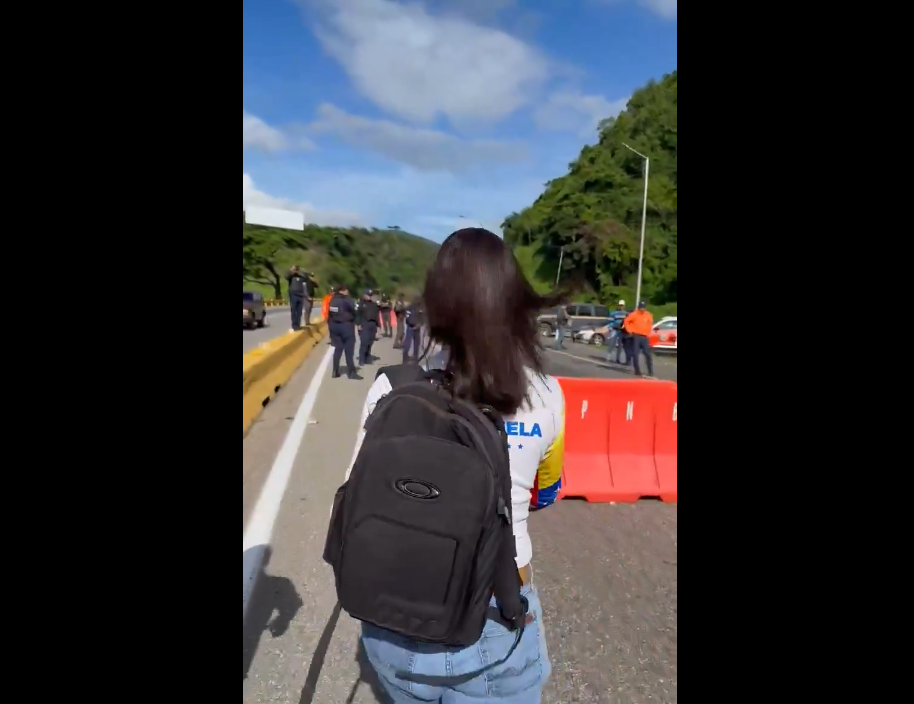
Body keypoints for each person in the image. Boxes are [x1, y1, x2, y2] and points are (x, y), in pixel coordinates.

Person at [333, 227, 562, 704]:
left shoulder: (391, 388)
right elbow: (547, 492)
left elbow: (355, 490)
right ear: (513, 301)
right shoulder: (545, 394)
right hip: (497, 614)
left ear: (435, 303)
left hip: (394, 616)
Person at [327, 285, 362, 380]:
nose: (348, 292)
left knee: (338, 349)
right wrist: (358, 324)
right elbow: (355, 312)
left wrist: (331, 331)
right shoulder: (347, 300)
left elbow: (329, 316)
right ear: (342, 291)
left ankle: (335, 371)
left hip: (334, 326)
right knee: (349, 350)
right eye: (346, 290)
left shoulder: (332, 300)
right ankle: (351, 372)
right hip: (346, 326)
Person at [624, 302, 655, 378]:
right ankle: (637, 370)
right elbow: (626, 321)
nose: (642, 309)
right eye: (641, 307)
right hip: (636, 336)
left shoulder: (648, 314)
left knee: (647, 353)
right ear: (638, 307)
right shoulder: (634, 314)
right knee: (635, 353)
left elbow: (650, 323)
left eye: (643, 307)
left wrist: (648, 331)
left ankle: (650, 371)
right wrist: (630, 331)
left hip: (644, 337)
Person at [357, 290, 381, 366]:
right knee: (364, 342)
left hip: (372, 324)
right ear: (364, 295)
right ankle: (361, 359)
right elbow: (357, 315)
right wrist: (358, 324)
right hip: (364, 324)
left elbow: (377, 316)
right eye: (368, 295)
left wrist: (379, 326)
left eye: (370, 295)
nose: (369, 296)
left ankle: (367, 358)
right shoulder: (361, 304)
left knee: (370, 343)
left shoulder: (374, 305)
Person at [286, 266, 313, 331]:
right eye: (295, 269)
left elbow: (308, 278)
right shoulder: (291, 277)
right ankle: (294, 325)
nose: (296, 270)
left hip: (300, 295)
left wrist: (304, 271)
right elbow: (286, 276)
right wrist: (292, 271)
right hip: (293, 295)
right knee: (294, 310)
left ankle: (298, 325)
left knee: (299, 311)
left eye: (297, 269)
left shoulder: (302, 277)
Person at [606, 300, 629, 364]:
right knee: (612, 343)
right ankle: (608, 356)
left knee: (620, 345)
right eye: (620, 305)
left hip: (622, 331)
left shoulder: (626, 314)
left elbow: (628, 322)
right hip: (614, 329)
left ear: (624, 306)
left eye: (622, 305)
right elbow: (610, 322)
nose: (621, 306)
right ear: (618, 305)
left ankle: (618, 359)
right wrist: (610, 327)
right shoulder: (613, 313)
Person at [402, 296, 424, 364]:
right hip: (410, 327)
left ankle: (415, 359)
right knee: (407, 344)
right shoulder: (409, 307)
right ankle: (404, 359)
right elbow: (407, 318)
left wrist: (419, 325)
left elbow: (423, 318)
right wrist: (413, 324)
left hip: (418, 328)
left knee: (417, 344)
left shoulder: (421, 307)